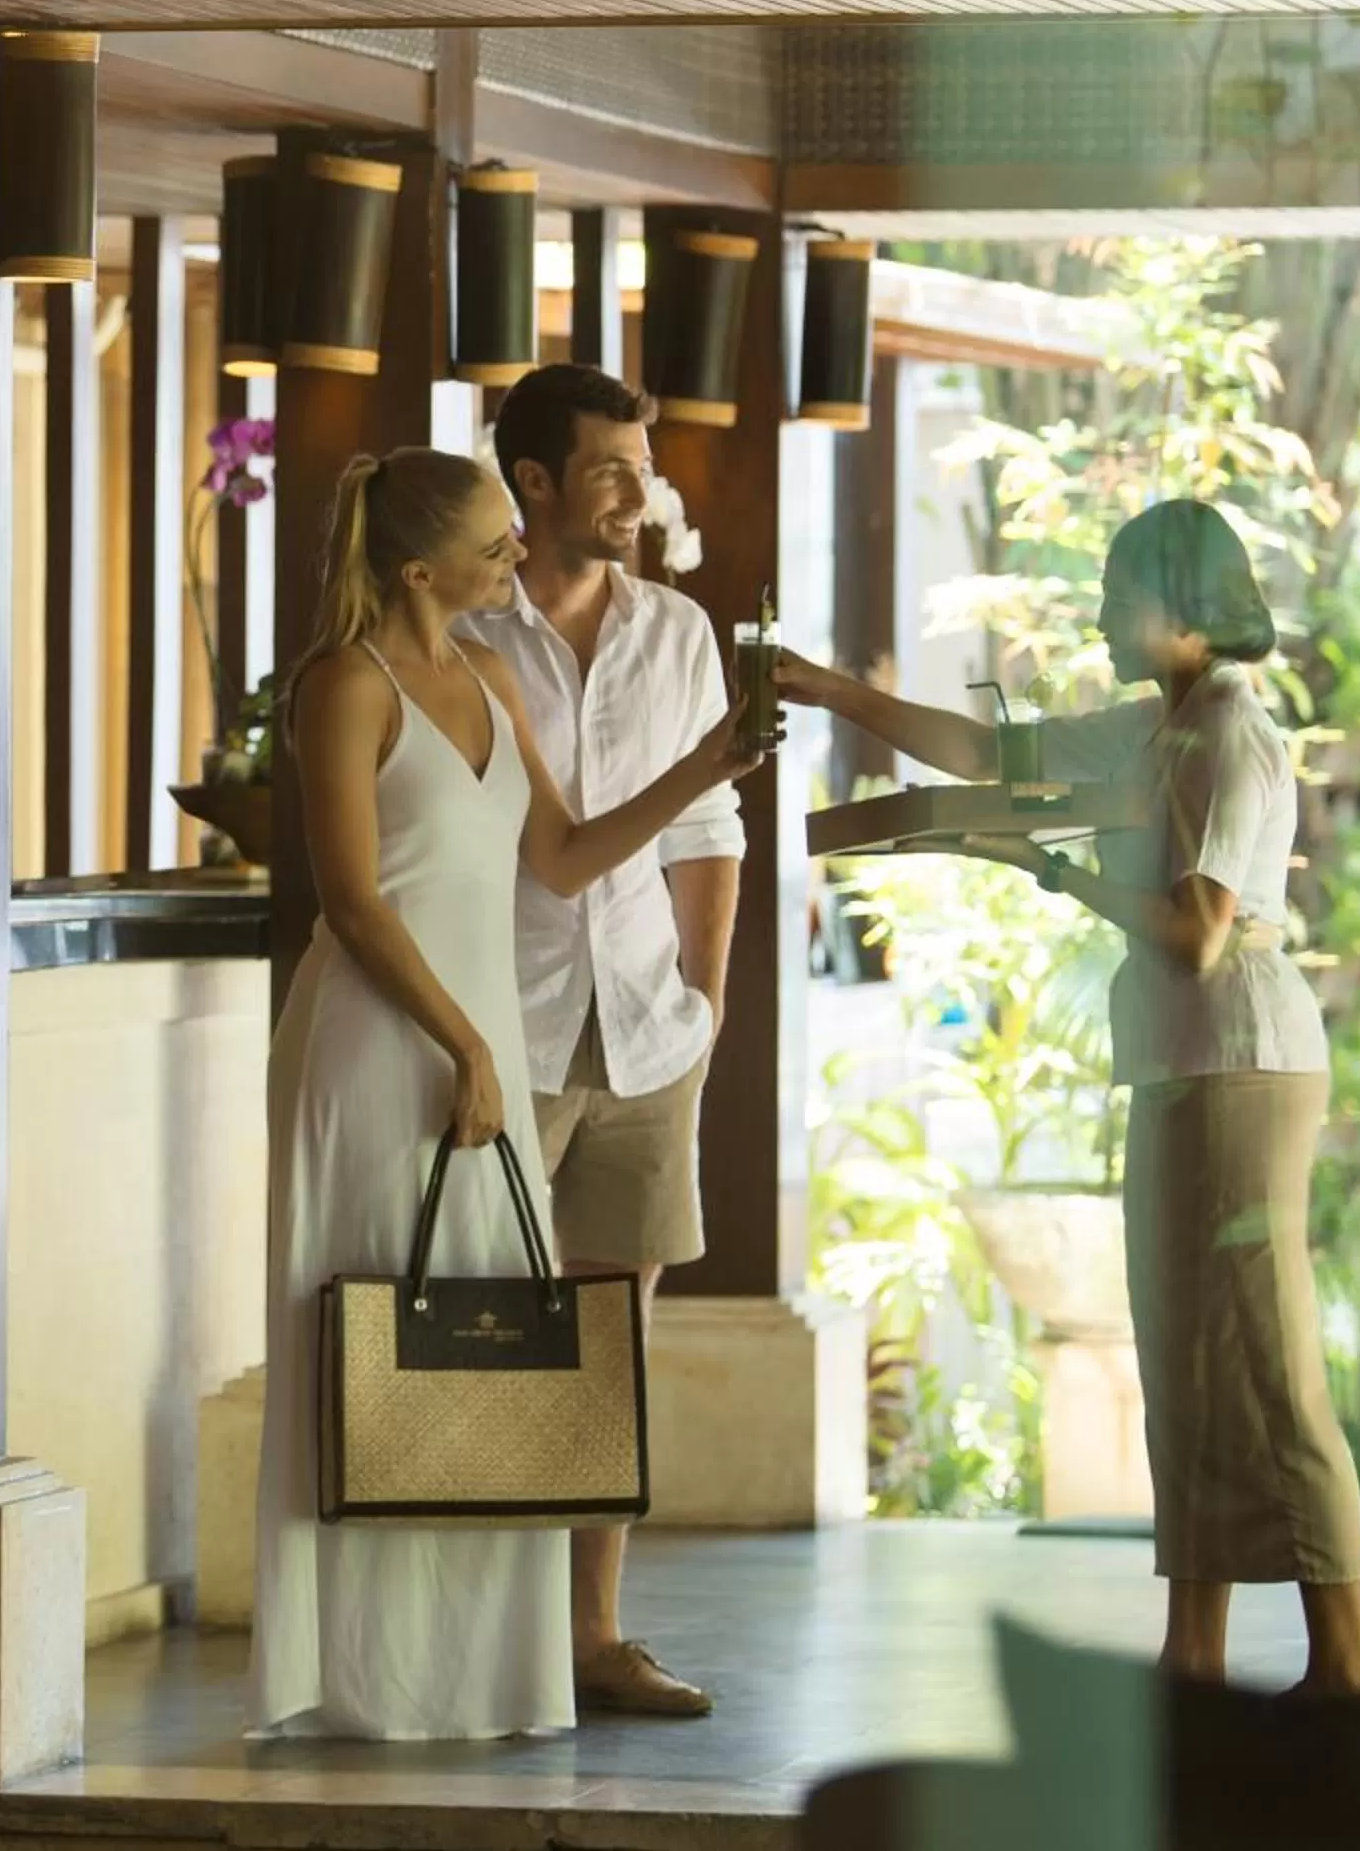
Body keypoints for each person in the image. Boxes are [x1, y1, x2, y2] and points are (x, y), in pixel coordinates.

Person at [778, 498, 1360, 1699]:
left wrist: (1048, 869)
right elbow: (992, 754)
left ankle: (1348, 1669)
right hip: (1186, 1062)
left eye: (1116, 599)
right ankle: (1193, 1656)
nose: (1101, 620)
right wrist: (834, 693)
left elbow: (1197, 936)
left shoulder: (1221, 737)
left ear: (1174, 608)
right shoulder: (1159, 727)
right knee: (1186, 1362)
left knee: (1265, 1364)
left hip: (1239, 1058)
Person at [250, 446, 770, 1741]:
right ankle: (367, 1678)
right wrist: (467, 1046)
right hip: (381, 1044)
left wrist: (706, 766)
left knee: (493, 1349)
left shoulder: (486, 672)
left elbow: (563, 855)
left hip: (472, 1035)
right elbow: (354, 900)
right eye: (495, 546)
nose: (516, 560)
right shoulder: (341, 687)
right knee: (374, 1325)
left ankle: (472, 1669)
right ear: (419, 567)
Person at [460, 363, 742, 1720]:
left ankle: (592, 1634)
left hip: (644, 1027)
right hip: (499, 1025)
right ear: (533, 482)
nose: (639, 494)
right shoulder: (461, 628)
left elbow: (708, 833)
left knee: (611, 1337)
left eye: (646, 466)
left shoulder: (678, 630)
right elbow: (540, 852)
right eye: (612, 470)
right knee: (484, 1326)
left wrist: (710, 998)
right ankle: (485, 1636)